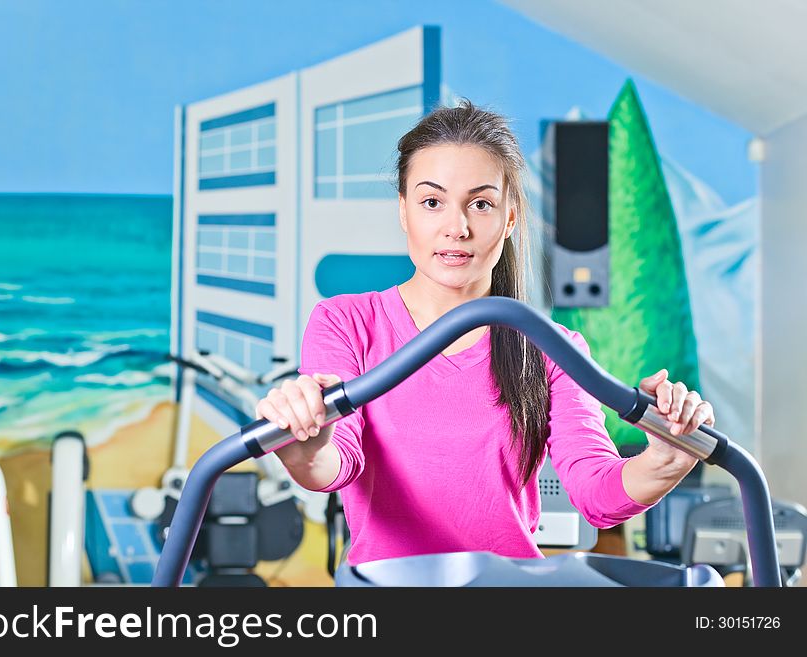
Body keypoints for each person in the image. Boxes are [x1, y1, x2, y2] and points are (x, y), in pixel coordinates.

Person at [255, 100, 716, 567]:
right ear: (404, 211)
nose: (456, 228)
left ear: (509, 217)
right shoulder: (346, 323)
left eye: (480, 204)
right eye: (432, 202)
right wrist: (308, 447)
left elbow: (596, 492)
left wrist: (664, 461)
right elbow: (336, 462)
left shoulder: (550, 348)